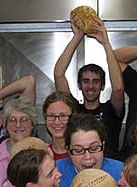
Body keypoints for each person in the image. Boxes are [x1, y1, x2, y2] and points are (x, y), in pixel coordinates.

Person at [54, 13, 124, 158]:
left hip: (108, 169)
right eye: (86, 81)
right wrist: (77, 37)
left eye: (96, 81)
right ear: (79, 85)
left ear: (103, 85)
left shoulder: (111, 110)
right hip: (79, 168)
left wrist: (105, 42)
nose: (90, 86)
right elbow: (58, 74)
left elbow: (118, 88)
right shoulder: (73, 109)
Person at [0, 97, 38, 187]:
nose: (18, 125)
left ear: (32, 124)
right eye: (12, 120)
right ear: (5, 125)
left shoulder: (45, 152)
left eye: (24, 120)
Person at [42, 91, 78, 160]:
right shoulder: (41, 154)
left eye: (63, 116)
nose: (57, 122)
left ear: (73, 117)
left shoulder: (81, 153)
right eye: (51, 116)